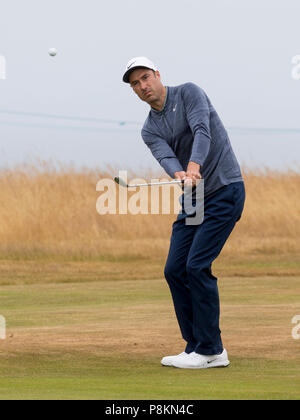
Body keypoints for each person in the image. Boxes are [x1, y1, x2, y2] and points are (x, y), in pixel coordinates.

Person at [122, 57, 245, 369]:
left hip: (224, 189)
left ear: (158, 75)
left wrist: (193, 167)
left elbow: (202, 130)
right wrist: (179, 173)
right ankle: (194, 347)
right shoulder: (149, 129)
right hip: (194, 198)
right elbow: (165, 156)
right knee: (175, 269)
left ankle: (212, 350)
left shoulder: (189, 93)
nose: (142, 86)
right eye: (135, 84)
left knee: (196, 265)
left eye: (145, 78)